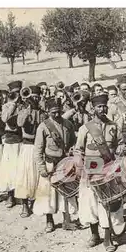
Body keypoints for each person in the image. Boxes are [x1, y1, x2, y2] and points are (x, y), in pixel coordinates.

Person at [74, 94, 124, 252]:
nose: (102, 109)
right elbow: (78, 150)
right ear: (93, 109)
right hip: (90, 170)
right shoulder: (85, 128)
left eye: (104, 106)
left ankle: (108, 238)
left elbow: (121, 144)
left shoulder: (113, 126)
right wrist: (80, 167)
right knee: (90, 204)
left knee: (107, 203)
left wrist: (121, 151)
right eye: (99, 107)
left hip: (108, 169)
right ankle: (94, 235)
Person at [33, 99, 79, 233]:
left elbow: (73, 143)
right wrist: (41, 168)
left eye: (59, 111)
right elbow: (38, 150)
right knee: (49, 193)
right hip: (50, 164)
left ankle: (67, 220)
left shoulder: (68, 124)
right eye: (53, 113)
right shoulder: (43, 126)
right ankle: (49, 221)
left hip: (65, 163)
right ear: (48, 112)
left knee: (68, 192)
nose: (57, 115)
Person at [15, 85, 48, 218]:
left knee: (39, 175)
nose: (34, 99)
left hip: (39, 146)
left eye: (36, 96)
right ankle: (24, 204)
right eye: (32, 96)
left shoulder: (43, 113)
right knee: (25, 175)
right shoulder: (23, 110)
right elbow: (20, 123)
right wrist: (28, 109)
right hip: (28, 146)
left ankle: (36, 201)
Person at [0, 80, 24, 208]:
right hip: (11, 139)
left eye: (19, 92)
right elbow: (4, 119)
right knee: (10, 168)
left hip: (22, 138)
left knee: (22, 168)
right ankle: (10, 195)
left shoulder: (24, 104)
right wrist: (13, 104)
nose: (18, 95)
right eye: (14, 93)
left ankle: (22, 194)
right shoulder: (6, 106)